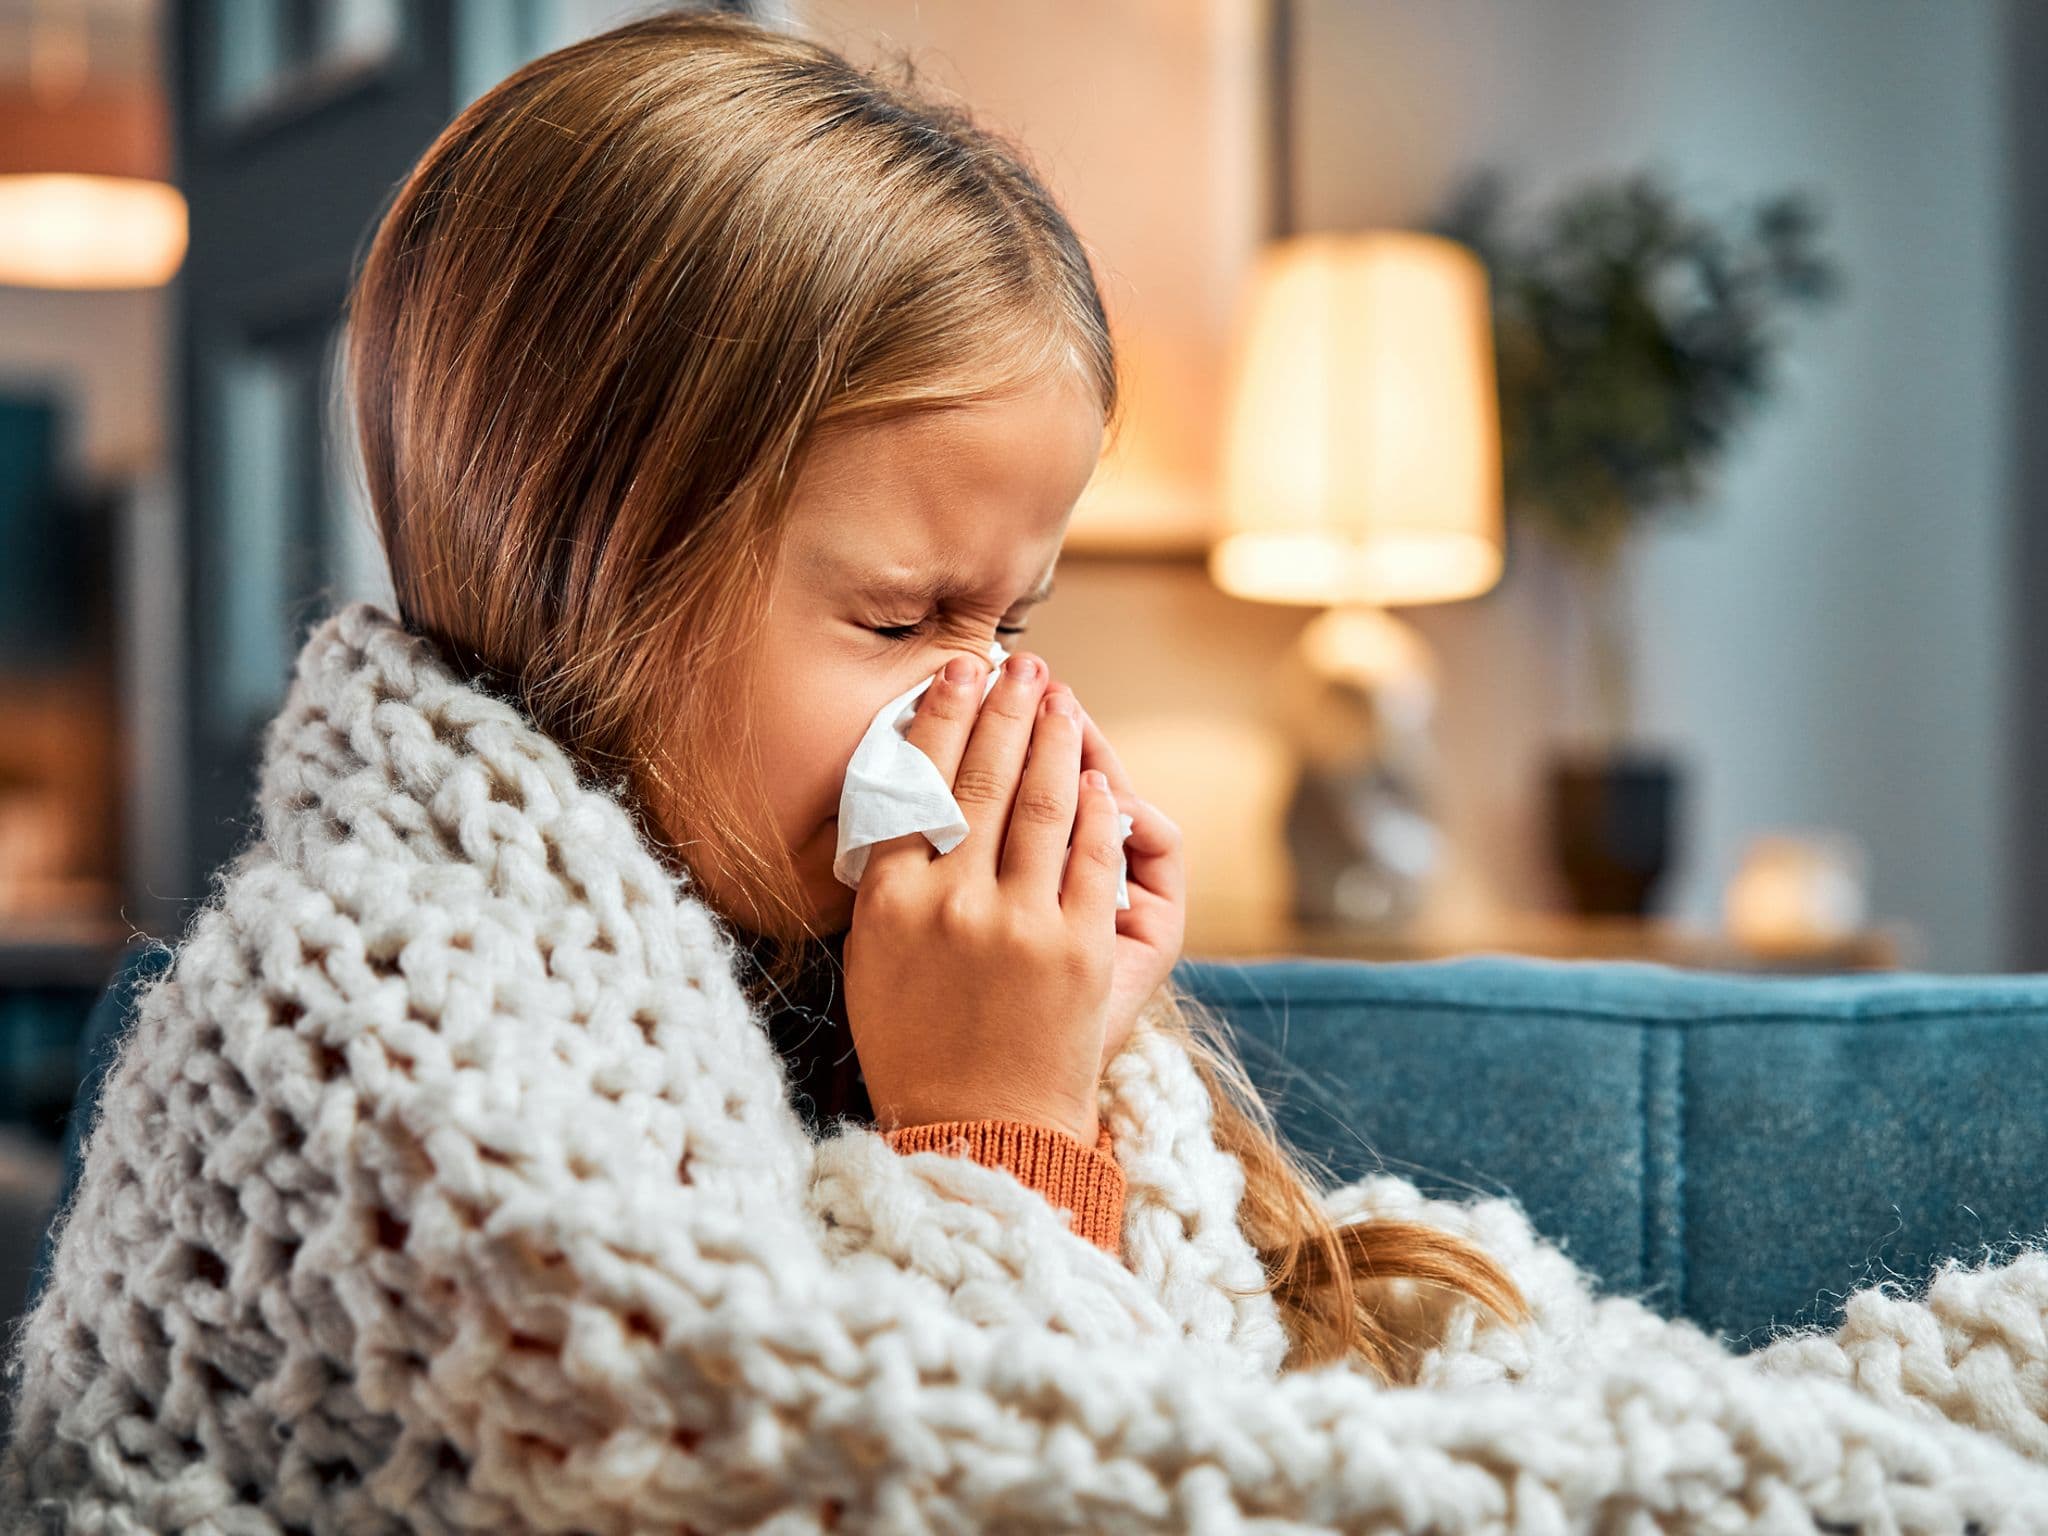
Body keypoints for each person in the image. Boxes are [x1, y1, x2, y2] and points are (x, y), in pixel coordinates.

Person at [10, 11, 2048, 1533]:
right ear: (582, 569)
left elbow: (1247, 1387)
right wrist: (995, 1135)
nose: (977, 707)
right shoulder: (355, 1016)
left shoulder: (826, 950)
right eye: (902, 621)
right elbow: (956, 1483)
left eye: (1019, 619)